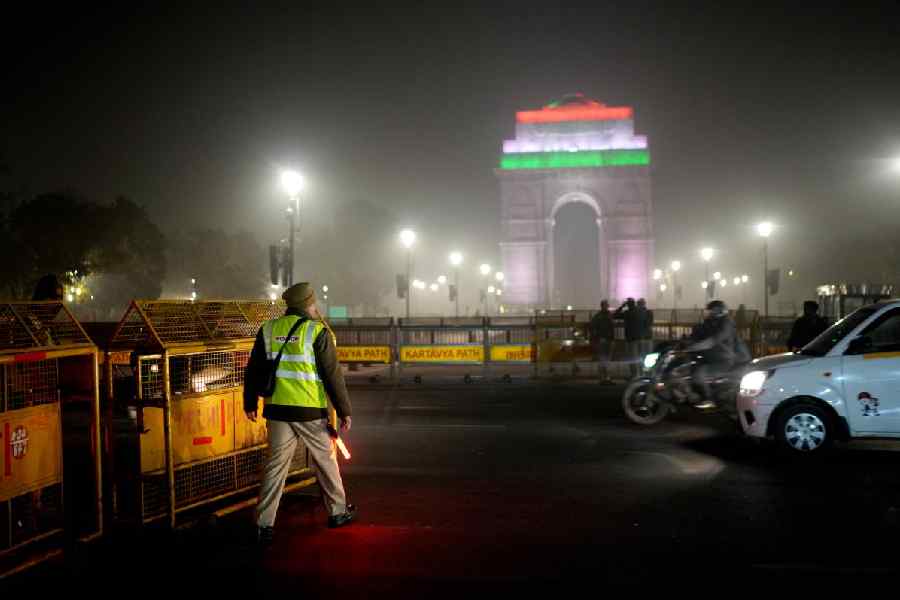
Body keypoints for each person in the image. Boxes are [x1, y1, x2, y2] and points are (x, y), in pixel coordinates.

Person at [244, 282, 356, 546]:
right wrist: (344, 411)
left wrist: (250, 402)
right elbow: (332, 376)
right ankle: (337, 513)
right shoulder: (317, 332)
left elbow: (254, 370)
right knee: (326, 462)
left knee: (275, 467)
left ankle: (263, 524)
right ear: (309, 304)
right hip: (309, 412)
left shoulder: (269, 329)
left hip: (277, 411)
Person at [686, 300, 737, 409]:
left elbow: (713, 340)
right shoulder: (709, 322)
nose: (709, 313)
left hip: (723, 359)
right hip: (709, 357)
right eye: (709, 311)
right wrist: (685, 341)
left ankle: (709, 399)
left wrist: (693, 347)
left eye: (711, 310)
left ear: (718, 311)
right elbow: (699, 333)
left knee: (699, 374)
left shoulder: (726, 323)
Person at [589, 300, 615, 383]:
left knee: (603, 359)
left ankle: (603, 377)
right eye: (606, 305)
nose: (607, 306)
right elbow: (611, 328)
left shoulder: (598, 316)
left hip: (603, 340)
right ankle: (606, 377)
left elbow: (592, 327)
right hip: (606, 339)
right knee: (606, 359)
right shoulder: (609, 315)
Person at [614, 298, 641, 377]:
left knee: (631, 357)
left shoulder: (627, 313)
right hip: (637, 337)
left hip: (629, 338)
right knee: (637, 357)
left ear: (628, 305)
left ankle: (634, 375)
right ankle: (638, 374)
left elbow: (615, 315)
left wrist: (622, 306)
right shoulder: (637, 312)